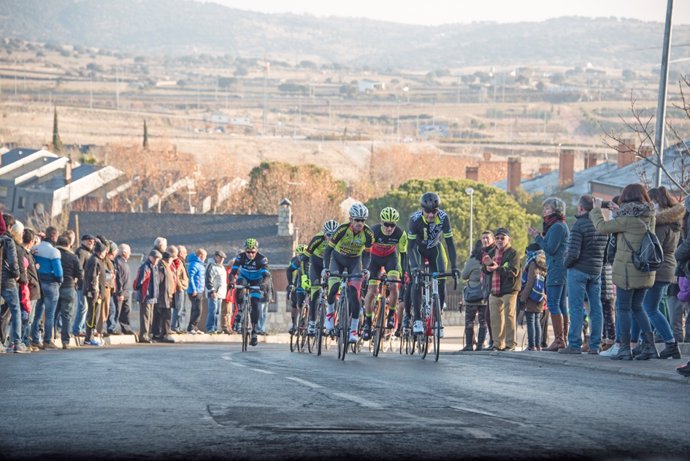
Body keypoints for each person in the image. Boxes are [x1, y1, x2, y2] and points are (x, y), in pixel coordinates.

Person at [591, 184, 658, 360]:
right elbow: (632, 222)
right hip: (645, 270)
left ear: (626, 198)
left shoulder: (626, 220)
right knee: (638, 307)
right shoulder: (649, 216)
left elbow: (602, 227)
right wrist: (619, 211)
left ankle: (625, 349)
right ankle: (650, 347)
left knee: (623, 308)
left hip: (628, 272)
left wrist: (597, 210)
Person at [631, 186, 682, 360]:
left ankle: (670, 343)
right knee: (649, 307)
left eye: (649, 201)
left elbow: (652, 247)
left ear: (656, 201)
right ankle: (647, 342)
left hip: (659, 269)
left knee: (649, 309)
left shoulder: (660, 223)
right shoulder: (673, 222)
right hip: (667, 268)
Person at [559, 194, 609, 355]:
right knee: (596, 308)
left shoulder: (579, 225)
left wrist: (566, 264)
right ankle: (595, 345)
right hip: (596, 271)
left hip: (578, 270)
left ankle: (574, 344)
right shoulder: (603, 225)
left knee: (575, 307)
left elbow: (573, 252)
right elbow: (607, 252)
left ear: (581, 208)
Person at [407, 192, 459, 337]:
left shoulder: (443, 217)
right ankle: (417, 319)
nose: (430, 215)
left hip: (435, 248)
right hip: (418, 249)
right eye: (427, 211)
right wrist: (415, 267)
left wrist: (454, 267)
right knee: (416, 280)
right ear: (422, 209)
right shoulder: (414, 219)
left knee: (441, 278)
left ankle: (438, 318)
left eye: (433, 211)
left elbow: (450, 244)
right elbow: (410, 247)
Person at [322, 203, 374, 343]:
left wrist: (365, 269)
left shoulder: (368, 234)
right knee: (333, 287)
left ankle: (353, 330)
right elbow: (328, 250)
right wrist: (326, 268)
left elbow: (367, 255)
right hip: (337, 259)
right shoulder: (342, 230)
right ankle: (330, 315)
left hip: (354, 262)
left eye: (362, 220)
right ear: (350, 219)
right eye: (357, 220)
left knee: (355, 296)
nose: (359, 223)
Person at [528, 197, 569, 352]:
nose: (544, 212)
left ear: (555, 210)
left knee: (553, 304)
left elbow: (550, 248)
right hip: (561, 268)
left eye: (547, 209)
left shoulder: (557, 227)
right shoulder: (559, 226)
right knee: (561, 305)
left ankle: (559, 340)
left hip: (556, 269)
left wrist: (538, 238)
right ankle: (562, 339)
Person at [362, 207, 407, 340]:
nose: (389, 228)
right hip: (373, 259)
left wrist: (403, 273)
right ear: (382, 223)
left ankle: (392, 314)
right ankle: (368, 322)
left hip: (390, 259)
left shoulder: (400, 234)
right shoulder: (373, 232)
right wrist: (364, 269)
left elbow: (403, 255)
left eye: (392, 225)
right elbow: (365, 253)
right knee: (372, 290)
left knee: (393, 284)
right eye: (386, 224)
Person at [483, 228, 521, 351]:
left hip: (509, 289)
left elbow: (513, 272)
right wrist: (487, 268)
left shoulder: (513, 253)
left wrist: (496, 268)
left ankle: (510, 344)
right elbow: (484, 269)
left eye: (502, 238)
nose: (499, 240)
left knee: (509, 317)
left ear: (508, 239)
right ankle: (497, 344)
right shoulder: (492, 251)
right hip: (494, 290)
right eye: (497, 238)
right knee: (494, 318)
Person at [229, 239, 271, 346]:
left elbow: (267, 275)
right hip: (244, 277)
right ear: (245, 251)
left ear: (256, 251)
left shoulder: (262, 259)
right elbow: (233, 272)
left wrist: (264, 284)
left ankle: (254, 332)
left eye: (253, 252)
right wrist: (231, 282)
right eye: (248, 252)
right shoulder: (240, 257)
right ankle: (239, 310)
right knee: (240, 285)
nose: (250, 254)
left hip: (257, 280)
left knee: (255, 303)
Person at [30, 226, 64, 350]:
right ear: (54, 236)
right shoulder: (54, 251)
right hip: (51, 284)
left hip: (38, 283)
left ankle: (34, 339)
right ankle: (47, 340)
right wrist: (59, 281)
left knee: (37, 313)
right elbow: (59, 272)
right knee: (49, 314)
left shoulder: (34, 249)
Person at [304, 219, 339, 336]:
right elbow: (305, 257)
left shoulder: (340, 239)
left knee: (334, 289)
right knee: (315, 292)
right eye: (329, 235)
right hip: (316, 264)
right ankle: (312, 323)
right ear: (324, 233)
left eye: (334, 235)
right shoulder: (317, 239)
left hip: (331, 264)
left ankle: (333, 319)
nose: (331, 238)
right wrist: (304, 276)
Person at [0, 214, 26, 353]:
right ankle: (17, 342)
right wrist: (16, 275)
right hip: (8, 281)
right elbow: (13, 262)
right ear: (9, 227)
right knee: (15, 310)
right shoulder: (9, 241)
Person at [56, 234, 83, 349]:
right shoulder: (73, 257)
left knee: (52, 314)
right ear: (68, 245)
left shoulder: (54, 255)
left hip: (55, 287)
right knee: (67, 315)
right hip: (69, 287)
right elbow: (80, 274)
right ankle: (65, 341)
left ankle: (50, 338)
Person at [461, 239, 488, 351]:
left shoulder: (472, 260)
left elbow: (464, 275)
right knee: (483, 322)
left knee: (469, 321)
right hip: (483, 295)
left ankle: (468, 345)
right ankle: (480, 345)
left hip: (472, 295)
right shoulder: (487, 259)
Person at [519, 243, 546, 351]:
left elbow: (530, 282)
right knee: (537, 321)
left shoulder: (533, 263)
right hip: (540, 296)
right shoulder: (544, 263)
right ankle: (538, 345)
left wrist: (523, 298)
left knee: (531, 320)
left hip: (531, 296)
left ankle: (531, 345)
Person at [133, 249, 162, 343]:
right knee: (145, 317)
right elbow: (138, 282)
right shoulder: (145, 267)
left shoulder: (154, 267)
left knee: (150, 317)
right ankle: (143, 335)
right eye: (155, 258)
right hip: (145, 295)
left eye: (158, 259)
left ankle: (148, 335)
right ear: (150, 257)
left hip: (152, 296)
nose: (156, 260)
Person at [83, 241, 108, 346]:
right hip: (94, 293)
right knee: (92, 315)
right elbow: (92, 277)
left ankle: (90, 336)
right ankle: (89, 338)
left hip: (98, 292)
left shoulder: (98, 260)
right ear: (100, 252)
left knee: (94, 314)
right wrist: (94, 291)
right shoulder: (94, 261)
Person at [71, 234, 95, 337]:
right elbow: (79, 268)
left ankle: (82, 328)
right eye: (89, 241)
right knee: (82, 307)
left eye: (93, 242)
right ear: (83, 241)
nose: (91, 243)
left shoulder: (89, 253)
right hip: (81, 284)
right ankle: (77, 329)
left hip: (87, 284)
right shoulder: (81, 252)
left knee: (85, 307)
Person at [154, 251, 177, 342]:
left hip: (168, 295)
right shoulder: (162, 267)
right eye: (171, 259)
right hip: (163, 296)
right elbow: (159, 282)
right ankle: (164, 334)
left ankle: (162, 333)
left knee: (165, 316)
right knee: (165, 316)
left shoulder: (166, 266)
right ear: (168, 259)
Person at [287, 244, 310, 335]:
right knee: (296, 304)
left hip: (310, 282)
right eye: (298, 254)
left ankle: (307, 320)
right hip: (298, 283)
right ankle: (294, 325)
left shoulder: (312, 260)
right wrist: (290, 284)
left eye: (302, 254)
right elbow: (291, 273)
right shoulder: (294, 261)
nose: (300, 256)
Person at [113, 243, 135, 335]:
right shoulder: (118, 262)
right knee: (117, 311)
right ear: (124, 252)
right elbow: (118, 278)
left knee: (126, 310)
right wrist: (120, 292)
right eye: (129, 252)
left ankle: (126, 328)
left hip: (126, 291)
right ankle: (112, 328)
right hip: (121, 291)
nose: (130, 254)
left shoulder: (124, 262)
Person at [205, 250, 228, 334]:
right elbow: (208, 279)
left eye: (223, 258)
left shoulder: (221, 267)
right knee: (213, 310)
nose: (222, 260)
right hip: (213, 293)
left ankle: (215, 327)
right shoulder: (211, 266)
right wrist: (212, 291)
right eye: (221, 258)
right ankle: (210, 327)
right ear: (216, 257)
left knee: (217, 312)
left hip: (220, 293)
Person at [168, 245, 189, 334]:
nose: (186, 254)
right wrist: (179, 286)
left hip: (182, 287)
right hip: (179, 289)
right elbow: (175, 275)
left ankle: (179, 326)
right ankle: (175, 326)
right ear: (180, 253)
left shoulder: (181, 262)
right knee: (178, 308)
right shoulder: (177, 262)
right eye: (184, 252)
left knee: (181, 308)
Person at [186, 248, 207, 334]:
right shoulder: (194, 264)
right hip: (194, 291)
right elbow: (190, 277)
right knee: (198, 310)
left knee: (195, 309)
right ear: (201, 256)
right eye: (205, 256)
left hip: (199, 290)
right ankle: (191, 327)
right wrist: (194, 289)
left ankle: (193, 327)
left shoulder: (199, 264)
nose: (205, 258)